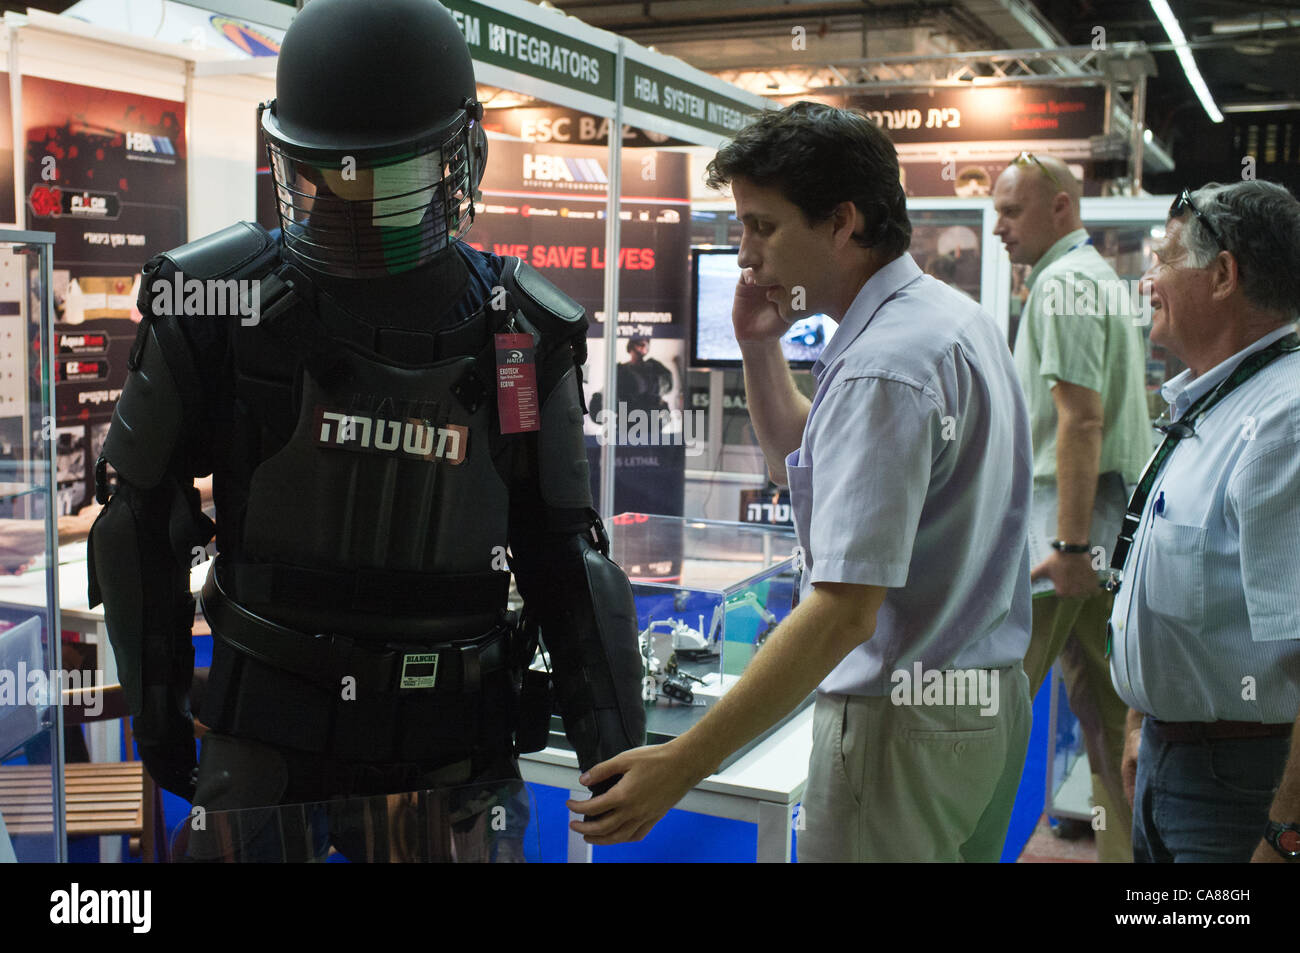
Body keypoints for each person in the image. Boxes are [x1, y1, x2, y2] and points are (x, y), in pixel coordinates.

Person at [86, 0, 644, 860]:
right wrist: (156, 707)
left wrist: (618, 754)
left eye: (382, 172)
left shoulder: (520, 330)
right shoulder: (214, 301)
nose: (351, 192)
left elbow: (564, 554)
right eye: (330, 172)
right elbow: (136, 521)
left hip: (448, 747)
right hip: (275, 739)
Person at [566, 101, 1035, 862]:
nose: (745, 252)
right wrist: (758, 348)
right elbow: (804, 467)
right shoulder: (947, 321)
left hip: (901, 729)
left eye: (763, 225)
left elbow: (844, 611)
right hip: (976, 710)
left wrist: (685, 760)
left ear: (842, 222)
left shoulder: (884, 365)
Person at [1108, 180, 1300, 864]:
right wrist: (1142, 721)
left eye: (1162, 259)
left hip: (1245, 788)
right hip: (1174, 760)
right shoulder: (1213, 401)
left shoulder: (1285, 421)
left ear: (1223, 275)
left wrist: (1287, 831)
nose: (1146, 279)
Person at [992, 153, 1152, 862]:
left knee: (982, 708)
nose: (997, 227)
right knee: (1106, 717)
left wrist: (1072, 545)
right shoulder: (1091, 280)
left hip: (1066, 534)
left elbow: (1081, 421)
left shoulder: (1063, 286)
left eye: (1010, 211)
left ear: (1060, 208)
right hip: (1097, 531)